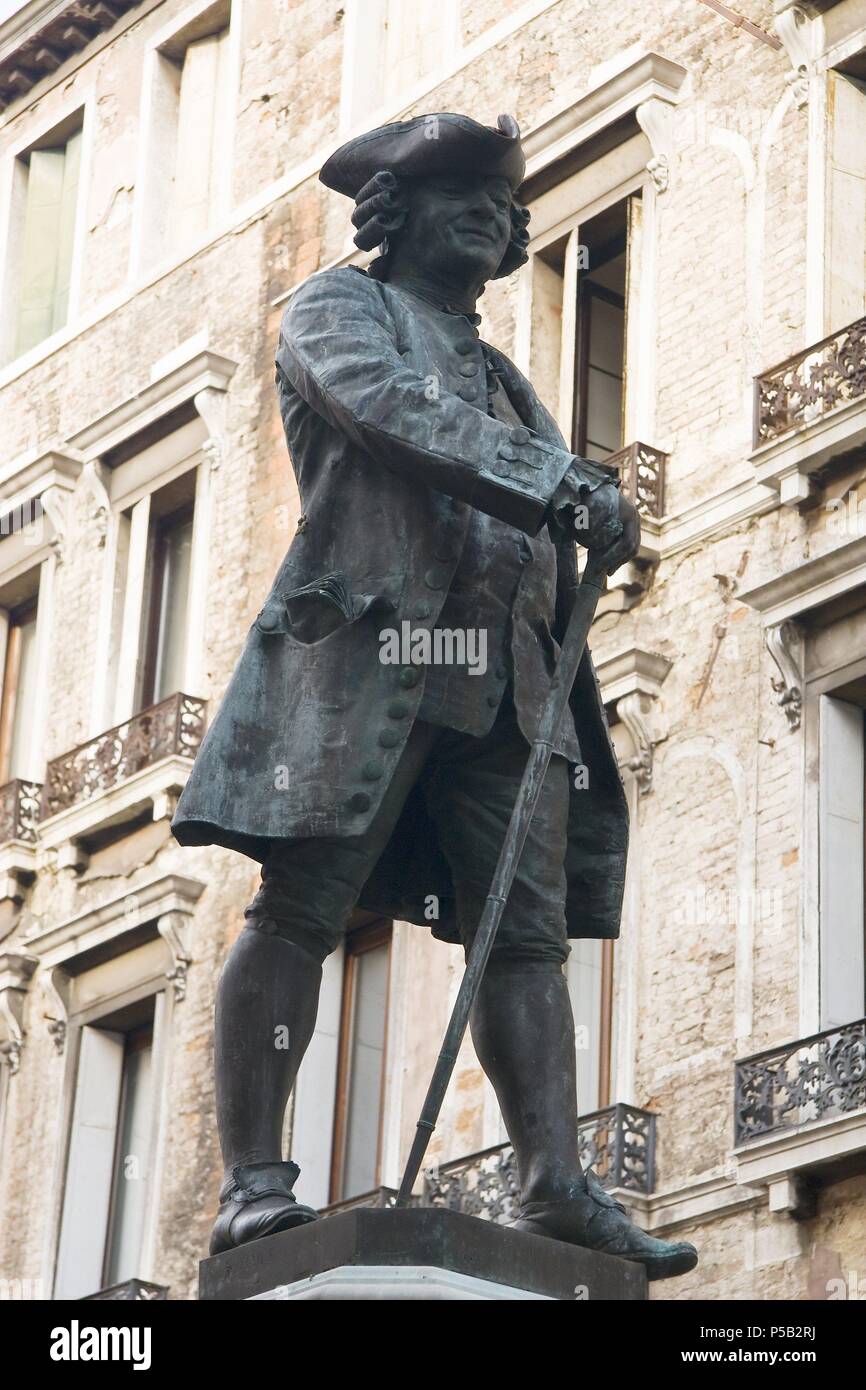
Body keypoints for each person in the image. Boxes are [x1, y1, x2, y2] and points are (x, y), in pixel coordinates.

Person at [172, 112, 697, 1280]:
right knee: (299, 910)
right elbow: (391, 414)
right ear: (393, 211)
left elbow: (536, 507)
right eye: (455, 187)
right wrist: (566, 483)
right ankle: (254, 1186)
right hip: (372, 658)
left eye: (501, 198)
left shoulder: (509, 380)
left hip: (505, 684)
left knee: (526, 940)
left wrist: (596, 520)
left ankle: (553, 1184)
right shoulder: (336, 311)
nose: (488, 210)